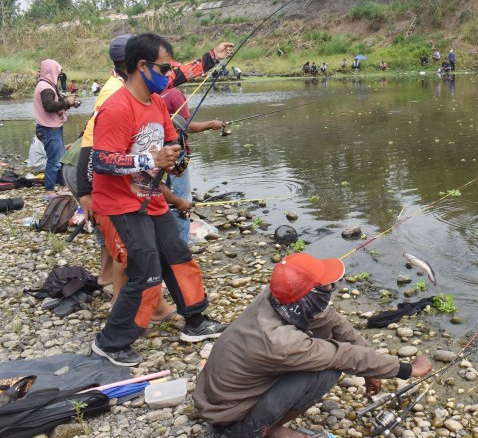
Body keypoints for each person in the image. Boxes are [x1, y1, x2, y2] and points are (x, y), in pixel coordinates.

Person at [63, 33, 233, 313]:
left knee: (158, 255)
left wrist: (212, 58)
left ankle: (176, 312)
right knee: (133, 257)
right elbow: (95, 151)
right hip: (112, 192)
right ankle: (124, 316)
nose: (167, 75)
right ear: (139, 64)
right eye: (162, 67)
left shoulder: (149, 95)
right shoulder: (113, 97)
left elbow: (175, 77)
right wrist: (85, 193)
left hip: (144, 193)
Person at [194, 252, 433, 437]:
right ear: (310, 297)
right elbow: (344, 355)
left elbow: (333, 321)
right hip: (230, 419)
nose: (333, 289)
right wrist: (407, 369)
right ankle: (260, 431)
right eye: (327, 287)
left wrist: (372, 371)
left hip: (217, 398)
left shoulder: (277, 297)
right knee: (328, 370)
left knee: (330, 346)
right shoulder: (281, 341)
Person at [162, 88, 224, 245]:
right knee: (182, 197)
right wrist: (211, 124)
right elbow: (186, 126)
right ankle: (183, 240)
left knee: (163, 193)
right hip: (178, 152)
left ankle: (166, 236)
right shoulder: (175, 94)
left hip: (162, 152)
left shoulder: (153, 94)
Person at [33, 60, 78, 200]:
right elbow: (49, 106)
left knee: (60, 156)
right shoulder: (45, 87)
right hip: (48, 128)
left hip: (52, 126)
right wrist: (67, 102)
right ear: (52, 71)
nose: (59, 75)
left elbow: (54, 105)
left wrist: (69, 104)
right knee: (55, 160)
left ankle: (64, 185)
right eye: (58, 72)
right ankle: (49, 190)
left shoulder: (47, 85)